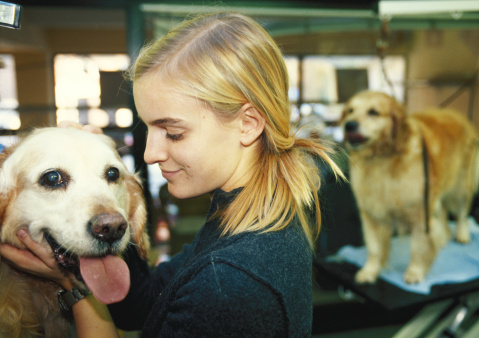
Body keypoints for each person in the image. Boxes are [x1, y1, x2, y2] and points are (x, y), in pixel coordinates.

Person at [0, 12, 343, 337]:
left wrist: (73, 288)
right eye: (149, 128)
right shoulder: (248, 214)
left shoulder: (229, 283)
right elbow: (144, 305)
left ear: (247, 124)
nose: (150, 154)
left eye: (174, 133)